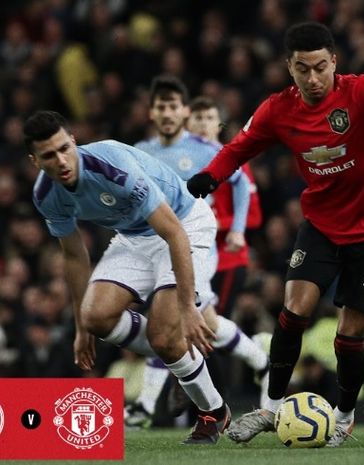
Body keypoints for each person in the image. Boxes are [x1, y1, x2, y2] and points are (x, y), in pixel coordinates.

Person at [187, 21, 364, 447]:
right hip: (323, 226)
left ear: (334, 62)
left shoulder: (362, 91)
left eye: (320, 68)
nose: (313, 78)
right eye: (302, 70)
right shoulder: (278, 109)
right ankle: (270, 410)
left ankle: (343, 419)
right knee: (293, 311)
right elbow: (239, 146)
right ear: (289, 68)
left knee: (349, 336)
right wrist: (210, 175)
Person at [26, 110, 230, 444]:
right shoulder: (46, 195)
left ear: (74, 141)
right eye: (49, 155)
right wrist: (80, 326)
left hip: (183, 224)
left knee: (165, 336)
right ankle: (178, 358)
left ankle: (214, 412)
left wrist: (187, 308)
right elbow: (74, 256)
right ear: (35, 160)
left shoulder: (113, 167)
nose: (61, 160)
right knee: (96, 317)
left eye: (65, 148)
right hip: (133, 236)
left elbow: (174, 233)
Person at [125, 76, 268, 428]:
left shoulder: (205, 149)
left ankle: (147, 405)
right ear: (151, 112)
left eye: (174, 106)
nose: (168, 112)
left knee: (174, 320)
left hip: (201, 250)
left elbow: (238, 181)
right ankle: (260, 361)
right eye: (161, 106)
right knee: (201, 324)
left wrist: (235, 230)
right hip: (159, 249)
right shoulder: (141, 151)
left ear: (183, 112)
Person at [187, 95, 263, 315]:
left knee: (214, 326)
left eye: (209, 118)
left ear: (219, 125)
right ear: (187, 123)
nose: (203, 124)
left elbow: (254, 217)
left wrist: (217, 223)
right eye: (197, 118)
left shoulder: (234, 163)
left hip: (226, 258)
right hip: (190, 258)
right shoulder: (178, 162)